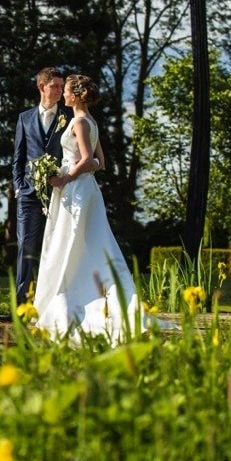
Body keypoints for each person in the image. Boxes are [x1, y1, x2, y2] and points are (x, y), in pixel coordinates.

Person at [33, 74, 148, 343]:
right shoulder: (90, 121)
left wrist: (64, 177)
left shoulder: (80, 122)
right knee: (87, 243)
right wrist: (74, 170)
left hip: (76, 191)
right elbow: (101, 162)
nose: (63, 95)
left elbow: (88, 159)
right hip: (86, 189)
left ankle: (74, 297)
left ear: (76, 94)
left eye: (67, 91)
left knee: (71, 243)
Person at [12, 67, 96, 306]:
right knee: (25, 248)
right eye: (55, 86)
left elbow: (82, 154)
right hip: (28, 195)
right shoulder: (24, 118)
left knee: (57, 248)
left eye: (62, 87)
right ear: (42, 87)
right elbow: (18, 157)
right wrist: (19, 186)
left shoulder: (71, 120)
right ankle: (21, 306)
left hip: (61, 193)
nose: (60, 90)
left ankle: (53, 303)